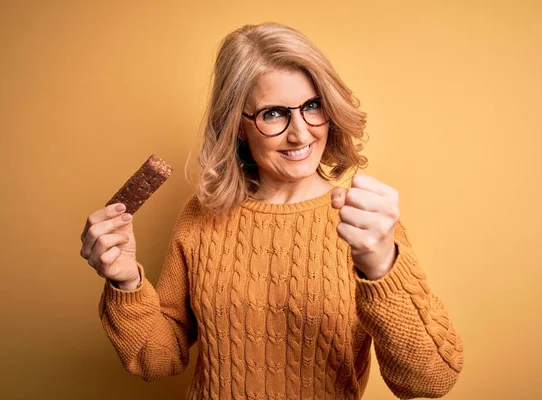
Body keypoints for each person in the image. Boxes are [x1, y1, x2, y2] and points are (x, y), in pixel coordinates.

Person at [79, 22, 463, 400]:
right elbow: (157, 360)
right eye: (274, 114)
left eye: (313, 106)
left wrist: (380, 266)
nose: (300, 132)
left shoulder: (365, 223)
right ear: (238, 126)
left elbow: (428, 381)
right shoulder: (200, 215)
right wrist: (126, 282)